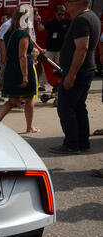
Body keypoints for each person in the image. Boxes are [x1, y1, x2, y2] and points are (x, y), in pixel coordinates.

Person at [49, 0, 100, 154]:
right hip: (85, 70)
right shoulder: (92, 16)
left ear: (78, 2)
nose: (66, 4)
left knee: (65, 107)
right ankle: (82, 142)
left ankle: (71, 144)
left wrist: (71, 74)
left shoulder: (81, 20)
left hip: (78, 72)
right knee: (78, 106)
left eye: (69, 1)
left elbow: (82, 48)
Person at [0, 5, 39, 133]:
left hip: (11, 68)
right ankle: (29, 126)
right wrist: (25, 76)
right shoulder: (22, 34)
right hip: (22, 69)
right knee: (29, 98)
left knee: (12, 100)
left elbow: (5, 50)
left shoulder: (9, 32)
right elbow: (22, 56)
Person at [37, 5, 71, 91]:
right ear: (55, 14)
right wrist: (38, 22)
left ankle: (58, 84)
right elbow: (41, 29)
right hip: (51, 49)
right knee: (46, 67)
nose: (61, 16)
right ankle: (42, 85)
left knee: (60, 68)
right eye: (59, 14)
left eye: (63, 14)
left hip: (62, 50)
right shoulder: (51, 22)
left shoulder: (68, 22)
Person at [0, 12, 11, 102]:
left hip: (6, 55)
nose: (2, 21)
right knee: (3, 75)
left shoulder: (9, 25)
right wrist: (2, 56)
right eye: (2, 19)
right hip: (5, 55)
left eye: (3, 19)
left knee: (5, 75)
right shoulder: (6, 25)